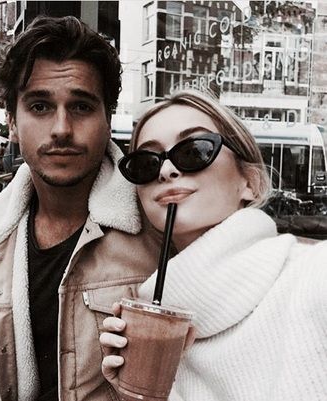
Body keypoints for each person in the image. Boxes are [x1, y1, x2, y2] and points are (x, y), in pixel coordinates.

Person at [0, 16, 161, 401]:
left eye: (81, 106)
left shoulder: (156, 224)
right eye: (40, 106)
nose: (61, 129)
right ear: (12, 123)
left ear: (108, 120)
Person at [100, 89, 327, 401]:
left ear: (250, 182)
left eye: (194, 151)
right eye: (146, 163)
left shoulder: (314, 275)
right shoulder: (148, 323)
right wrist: (138, 393)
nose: (165, 171)